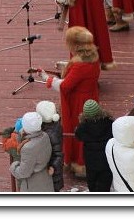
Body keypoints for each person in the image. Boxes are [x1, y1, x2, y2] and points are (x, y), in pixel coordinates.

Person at [38, 26, 101, 179]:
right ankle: (82, 162)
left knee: (76, 130)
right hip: (90, 96)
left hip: (77, 102)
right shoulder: (93, 58)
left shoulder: (79, 65)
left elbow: (65, 86)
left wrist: (47, 78)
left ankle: (78, 163)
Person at [74, 99, 114, 192]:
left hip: (91, 161)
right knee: (105, 183)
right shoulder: (109, 122)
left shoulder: (83, 127)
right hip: (106, 159)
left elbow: (78, 135)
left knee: (92, 183)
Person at [9, 112, 55, 192]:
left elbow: (23, 173)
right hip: (44, 179)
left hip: (32, 185)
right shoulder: (44, 136)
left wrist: (14, 166)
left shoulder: (28, 148)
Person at [36, 100, 64, 192]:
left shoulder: (51, 134)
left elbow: (58, 153)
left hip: (51, 171)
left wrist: (53, 166)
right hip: (50, 169)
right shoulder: (55, 126)